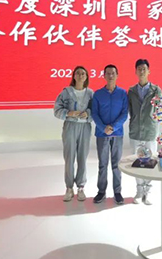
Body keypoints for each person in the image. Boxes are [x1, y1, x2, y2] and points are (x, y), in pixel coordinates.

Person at [54, 66, 94, 202]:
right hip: (70, 126)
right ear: (74, 76)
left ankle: (81, 187)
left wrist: (88, 114)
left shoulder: (90, 94)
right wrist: (69, 113)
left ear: (86, 76)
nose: (80, 75)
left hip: (85, 127)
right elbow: (57, 110)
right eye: (78, 73)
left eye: (83, 73)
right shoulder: (66, 92)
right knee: (69, 157)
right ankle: (69, 187)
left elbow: (96, 110)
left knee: (82, 157)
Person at [91, 64, 128, 205]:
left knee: (116, 164)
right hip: (102, 134)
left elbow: (124, 113)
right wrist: (103, 128)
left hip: (117, 134)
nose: (110, 75)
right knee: (102, 164)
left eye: (113, 73)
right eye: (108, 73)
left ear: (117, 75)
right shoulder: (98, 94)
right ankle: (101, 191)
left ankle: (117, 192)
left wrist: (113, 127)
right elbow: (94, 113)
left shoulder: (123, 93)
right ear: (104, 75)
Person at [128, 59, 162, 205]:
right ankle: (139, 191)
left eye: (144, 69)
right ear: (135, 71)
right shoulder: (131, 91)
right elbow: (130, 110)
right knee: (137, 161)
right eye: (139, 69)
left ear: (149, 71)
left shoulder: (156, 90)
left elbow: (160, 110)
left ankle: (148, 191)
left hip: (150, 131)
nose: (142, 71)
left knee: (150, 161)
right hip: (135, 131)